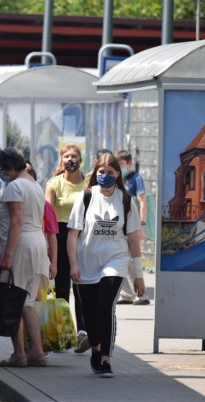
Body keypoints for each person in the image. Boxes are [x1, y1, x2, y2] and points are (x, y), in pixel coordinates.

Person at [66, 152, 146, 377]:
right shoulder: (85, 198)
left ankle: (106, 359)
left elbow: (132, 240)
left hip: (116, 259)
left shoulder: (126, 200)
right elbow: (72, 235)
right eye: (101, 172)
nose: (105, 176)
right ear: (95, 173)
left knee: (105, 306)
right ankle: (96, 348)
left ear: (118, 174)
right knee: (90, 313)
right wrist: (73, 264)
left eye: (110, 172)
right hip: (87, 262)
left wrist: (138, 276)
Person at [0, 147, 50, 367]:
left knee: (13, 301)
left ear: (12, 167)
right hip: (37, 244)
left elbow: (16, 222)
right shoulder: (35, 186)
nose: (2, 173)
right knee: (28, 302)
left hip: (21, 245)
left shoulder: (15, 187)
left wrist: (8, 256)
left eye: (3, 169)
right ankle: (37, 352)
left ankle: (19, 354)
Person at [45, 144, 90, 353]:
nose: (70, 159)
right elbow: (47, 215)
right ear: (61, 160)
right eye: (67, 156)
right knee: (62, 288)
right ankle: (63, 335)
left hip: (83, 234)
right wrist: (48, 245)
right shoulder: (54, 184)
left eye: (74, 156)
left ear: (81, 159)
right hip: (61, 235)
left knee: (81, 285)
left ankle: (83, 333)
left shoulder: (88, 183)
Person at [114, 149, 150, 306]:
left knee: (132, 257)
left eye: (122, 164)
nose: (120, 167)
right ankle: (127, 293)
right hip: (121, 225)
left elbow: (142, 201)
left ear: (129, 164)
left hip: (133, 224)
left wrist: (142, 224)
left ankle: (141, 294)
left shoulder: (136, 179)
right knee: (123, 258)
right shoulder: (116, 179)